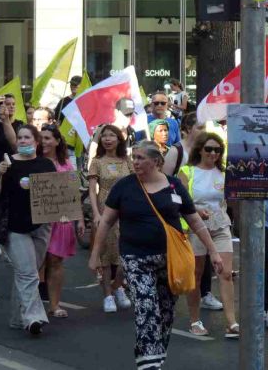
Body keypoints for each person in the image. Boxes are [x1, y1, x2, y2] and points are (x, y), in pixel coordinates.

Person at [90, 142, 224, 370]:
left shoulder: (174, 186)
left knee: (165, 312)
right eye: (134, 157)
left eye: (141, 158)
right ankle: (149, 365)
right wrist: (95, 255)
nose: (135, 162)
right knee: (146, 310)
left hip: (170, 260)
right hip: (135, 259)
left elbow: (194, 220)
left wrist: (213, 251)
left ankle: (154, 357)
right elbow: (106, 222)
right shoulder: (124, 186)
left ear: (156, 161)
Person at [0, 124, 56, 336]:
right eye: (20, 138)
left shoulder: (46, 164)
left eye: (27, 137)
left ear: (36, 141)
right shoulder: (8, 163)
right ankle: (34, 317)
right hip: (14, 227)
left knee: (28, 272)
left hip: (41, 226)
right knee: (28, 273)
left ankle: (18, 319)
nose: (23, 141)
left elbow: (56, 195)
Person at [177, 133, 238, 338]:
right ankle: (195, 321)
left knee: (226, 273)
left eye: (217, 150)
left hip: (220, 225)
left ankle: (231, 323)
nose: (213, 153)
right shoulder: (187, 171)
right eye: (209, 149)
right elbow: (179, 201)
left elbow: (232, 199)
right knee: (196, 274)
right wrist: (196, 209)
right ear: (200, 150)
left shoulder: (225, 172)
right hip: (195, 226)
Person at [87, 124, 134, 313]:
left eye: (111, 135)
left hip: (126, 209)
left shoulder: (127, 160)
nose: (107, 139)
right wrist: (96, 213)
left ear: (119, 139)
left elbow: (135, 184)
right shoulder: (97, 161)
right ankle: (108, 294)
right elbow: (92, 190)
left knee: (124, 252)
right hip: (105, 208)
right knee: (106, 253)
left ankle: (119, 287)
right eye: (104, 136)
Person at [39, 125, 85, 318]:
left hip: (61, 220)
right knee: (38, 262)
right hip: (37, 221)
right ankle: (34, 304)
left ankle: (54, 305)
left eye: (48, 138)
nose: (43, 142)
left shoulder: (66, 165)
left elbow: (73, 194)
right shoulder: (33, 162)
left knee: (56, 260)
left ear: (57, 141)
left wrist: (79, 219)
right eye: (41, 138)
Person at [0, 95, 22, 171]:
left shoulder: (20, 125)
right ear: (1, 107)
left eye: (13, 104)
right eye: (8, 104)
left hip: (18, 166)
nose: (12, 106)